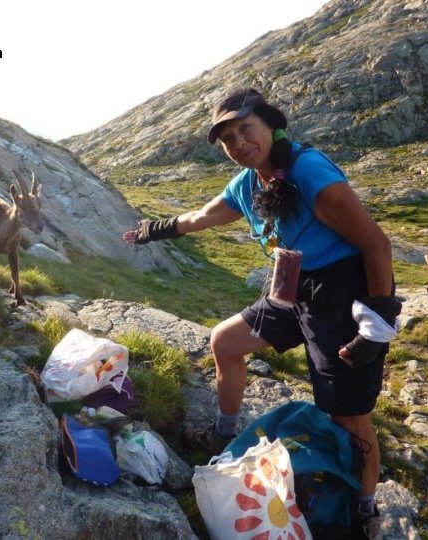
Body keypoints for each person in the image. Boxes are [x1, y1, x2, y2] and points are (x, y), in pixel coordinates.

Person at [122, 88, 400, 534]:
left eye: (245, 129)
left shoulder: (309, 171)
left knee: (349, 415)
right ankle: (225, 433)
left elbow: (376, 244)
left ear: (270, 126)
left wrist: (377, 322)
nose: (238, 143)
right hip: (290, 288)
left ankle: (366, 506)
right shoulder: (250, 181)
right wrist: (152, 230)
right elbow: (203, 215)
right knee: (226, 342)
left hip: (338, 295)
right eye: (228, 138)